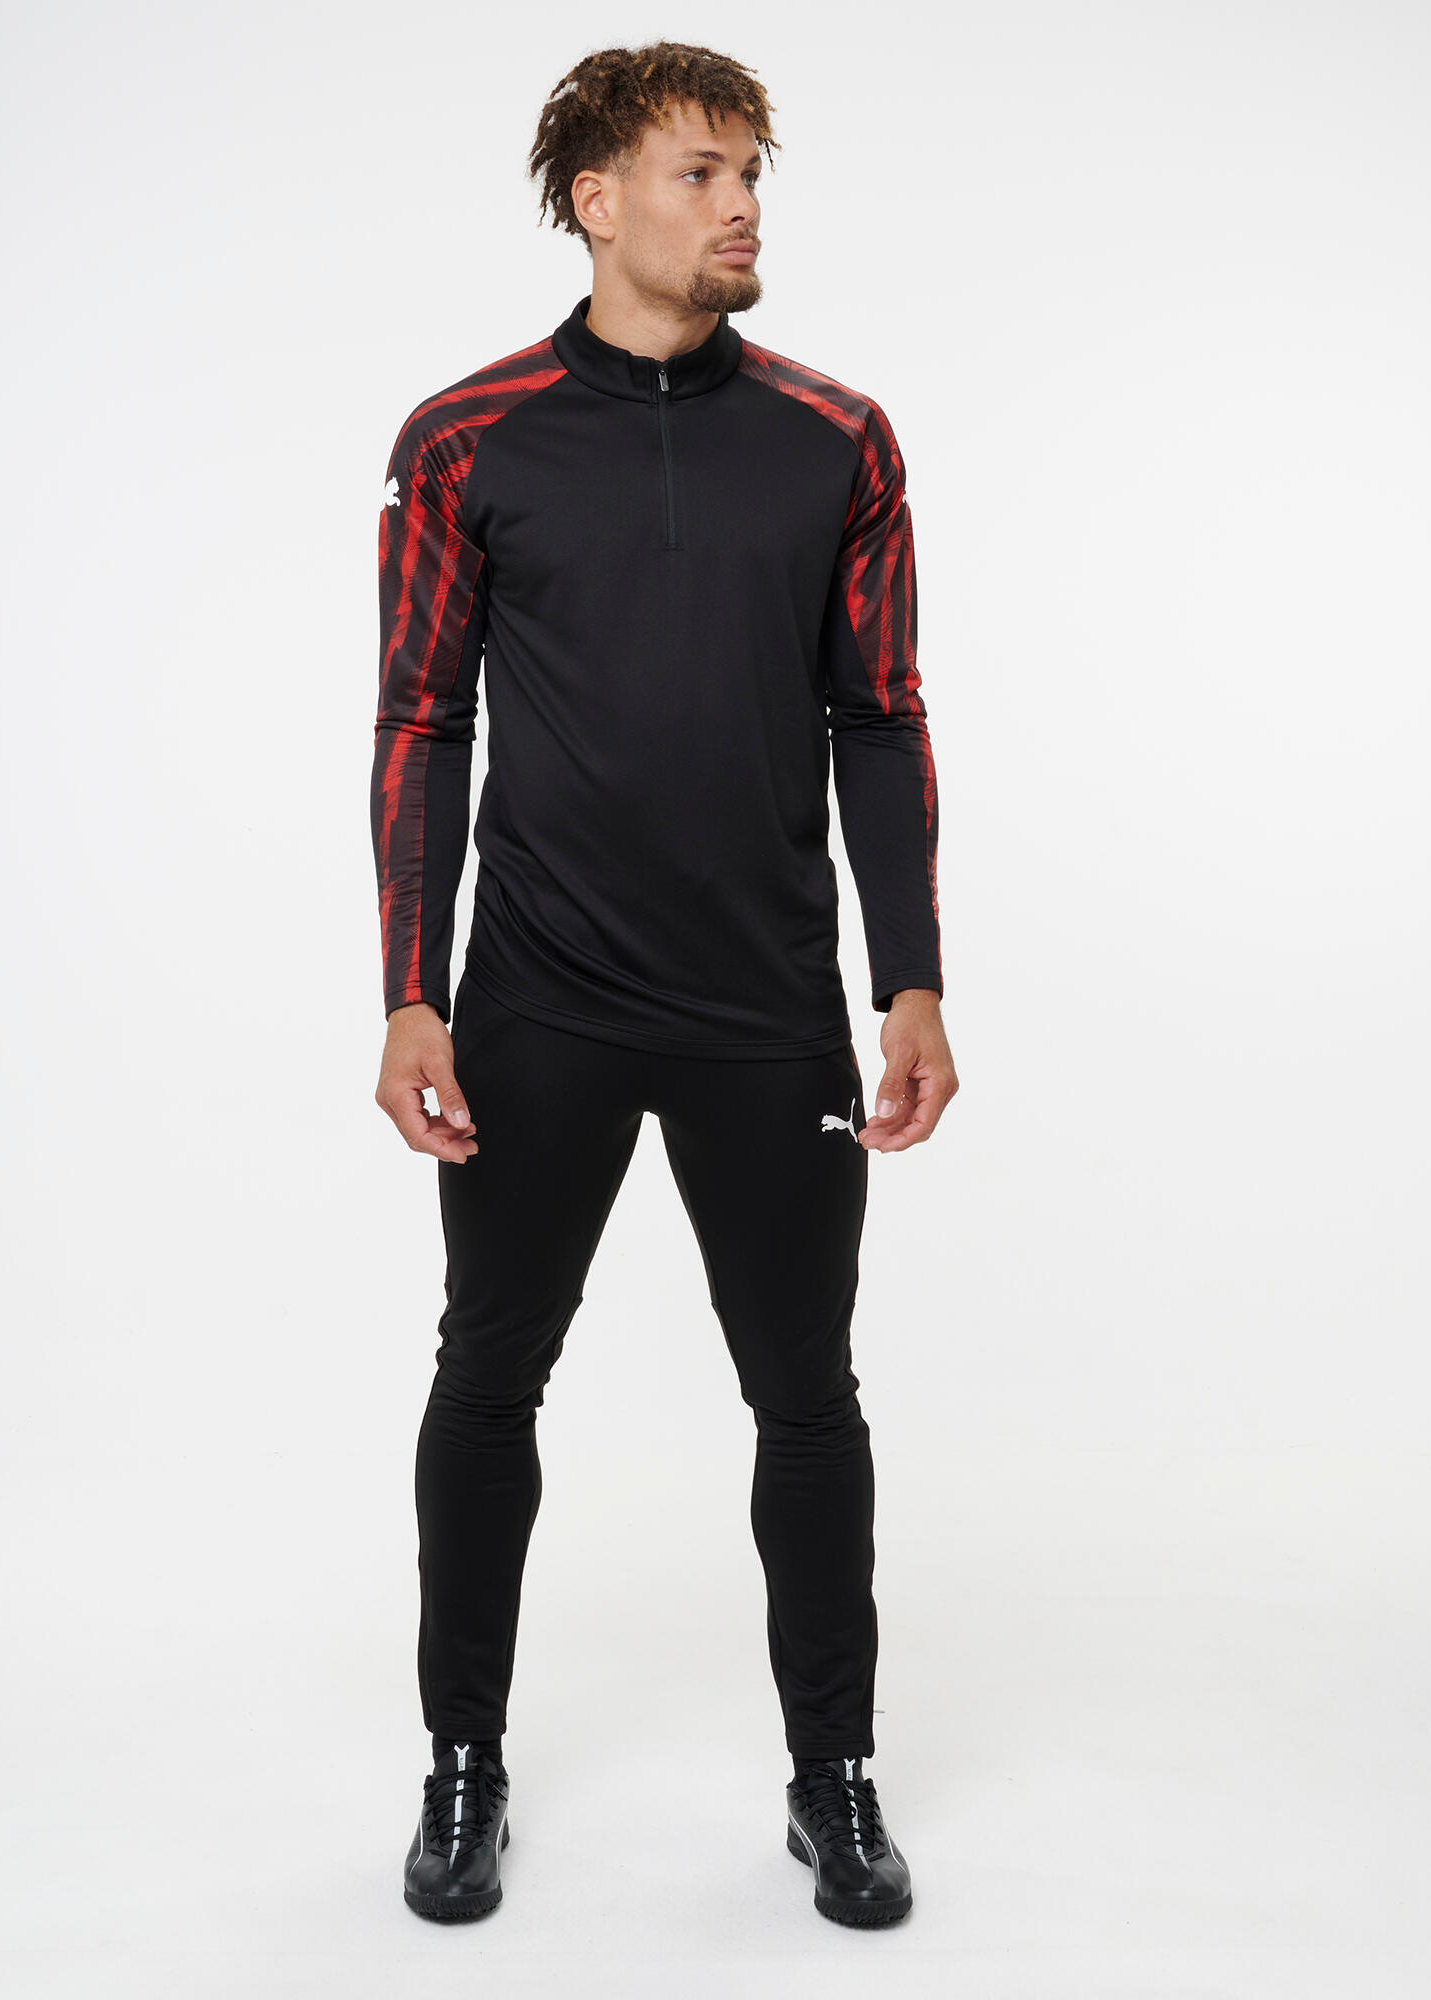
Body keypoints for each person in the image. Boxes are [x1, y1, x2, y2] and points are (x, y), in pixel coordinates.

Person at [370, 39, 956, 1929]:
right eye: (702, 173)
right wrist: (410, 994)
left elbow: (881, 716)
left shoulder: (838, 439)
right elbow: (421, 719)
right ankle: (463, 1766)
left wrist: (911, 980)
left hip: (766, 1006)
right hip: (538, 999)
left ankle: (835, 1780)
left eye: (752, 172)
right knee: (488, 1382)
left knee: (809, 1399)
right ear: (596, 197)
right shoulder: (468, 439)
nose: (742, 205)